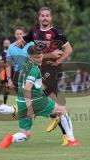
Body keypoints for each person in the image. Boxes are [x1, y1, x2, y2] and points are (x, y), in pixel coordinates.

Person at [0, 45, 79, 149]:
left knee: (26, 134)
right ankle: (72, 141)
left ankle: (11, 138)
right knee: (63, 111)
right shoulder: (34, 69)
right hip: (36, 101)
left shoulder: (26, 64)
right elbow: (27, 88)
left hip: (21, 101)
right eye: (37, 57)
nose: (40, 59)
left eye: (41, 56)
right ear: (31, 57)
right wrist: (30, 110)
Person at [17, 7, 73, 145]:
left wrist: (57, 61)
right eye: (42, 16)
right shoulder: (34, 31)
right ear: (39, 18)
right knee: (50, 100)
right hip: (38, 69)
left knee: (44, 94)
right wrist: (18, 43)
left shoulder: (56, 33)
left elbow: (69, 49)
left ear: (51, 18)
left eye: (47, 15)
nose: (45, 18)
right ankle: (56, 119)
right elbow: (21, 43)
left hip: (51, 70)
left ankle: (53, 117)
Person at [6, 26, 34, 93]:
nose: (19, 35)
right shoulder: (11, 47)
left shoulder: (31, 44)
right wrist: (9, 79)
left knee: (32, 96)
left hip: (31, 73)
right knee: (20, 97)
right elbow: (8, 64)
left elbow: (38, 57)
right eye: (17, 34)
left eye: (21, 34)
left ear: (24, 34)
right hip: (18, 74)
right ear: (15, 35)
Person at [0, 39, 11, 104]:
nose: (6, 44)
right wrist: (8, 64)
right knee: (6, 88)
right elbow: (0, 63)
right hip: (5, 73)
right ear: (3, 44)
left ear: (10, 44)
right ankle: (5, 103)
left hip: (15, 72)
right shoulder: (2, 54)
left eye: (7, 43)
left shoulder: (12, 52)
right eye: (5, 43)